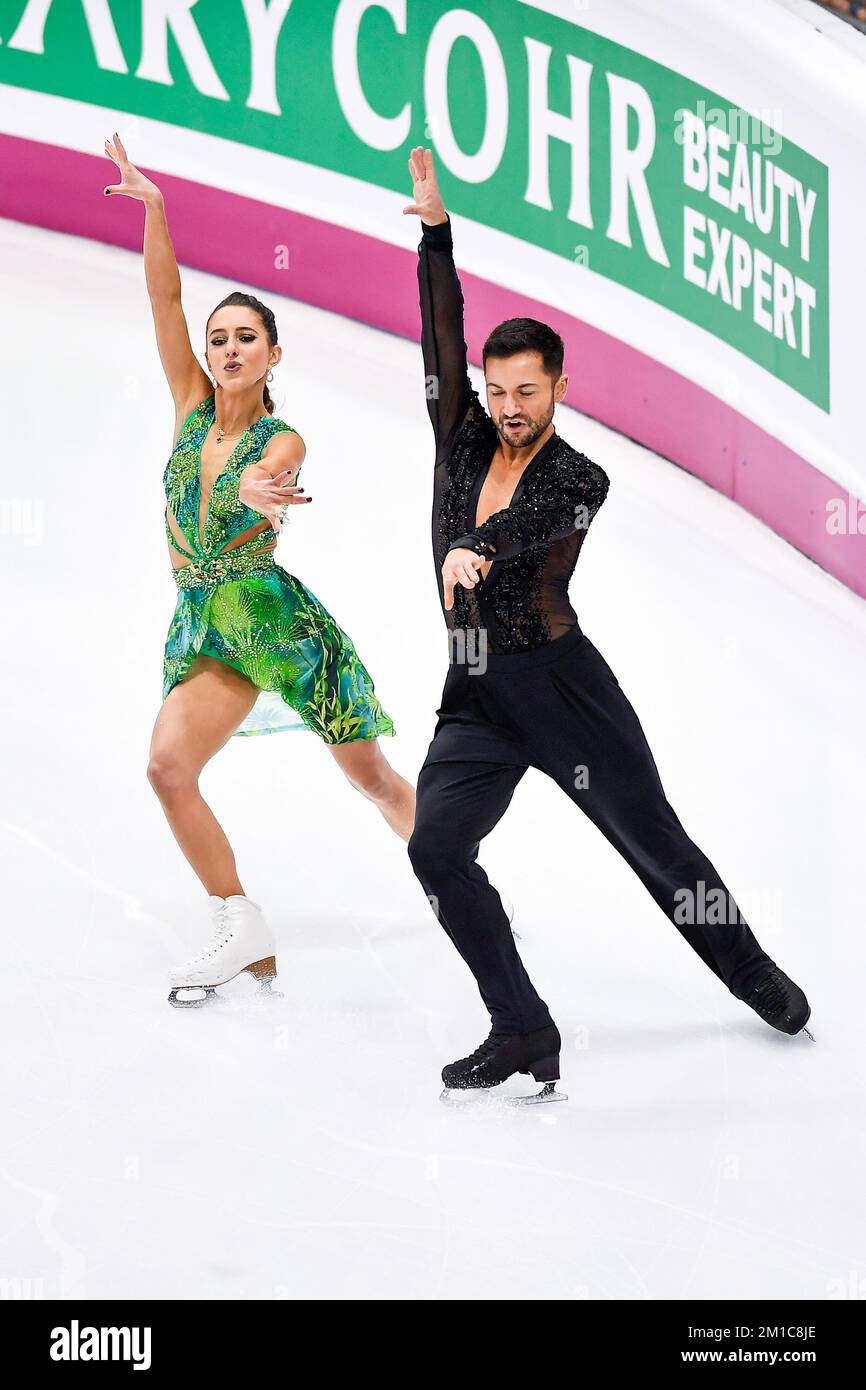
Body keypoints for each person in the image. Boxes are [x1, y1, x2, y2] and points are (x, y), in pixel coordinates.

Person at [402, 146, 812, 1098]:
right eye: (496, 392)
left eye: (526, 393)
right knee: (434, 849)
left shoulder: (583, 476)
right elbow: (438, 337)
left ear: (560, 390)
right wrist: (434, 235)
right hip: (474, 692)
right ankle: (522, 1026)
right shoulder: (460, 433)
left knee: (655, 846)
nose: (507, 409)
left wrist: (479, 546)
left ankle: (751, 973)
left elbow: (533, 524)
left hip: (564, 693)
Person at [102, 132, 414, 1007]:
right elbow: (164, 298)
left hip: (269, 628)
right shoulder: (190, 407)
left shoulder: (282, 438)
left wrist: (263, 495)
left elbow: (276, 478)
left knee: (372, 779)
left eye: (247, 338)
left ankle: (447, 861)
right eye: (220, 339)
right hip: (202, 622)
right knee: (168, 767)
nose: (229, 348)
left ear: (275, 355)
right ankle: (241, 924)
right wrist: (158, 210)